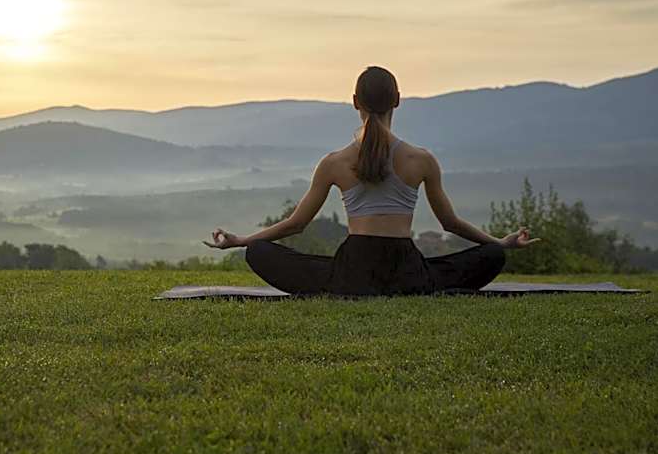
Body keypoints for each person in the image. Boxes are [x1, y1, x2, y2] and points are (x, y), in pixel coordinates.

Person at [202, 65, 541, 296]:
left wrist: (243, 241)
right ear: (397, 100)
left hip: (352, 275)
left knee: (258, 253)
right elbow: (450, 223)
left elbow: (295, 224)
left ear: (355, 103)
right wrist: (500, 243)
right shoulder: (421, 159)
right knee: (492, 257)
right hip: (407, 273)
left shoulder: (334, 162)